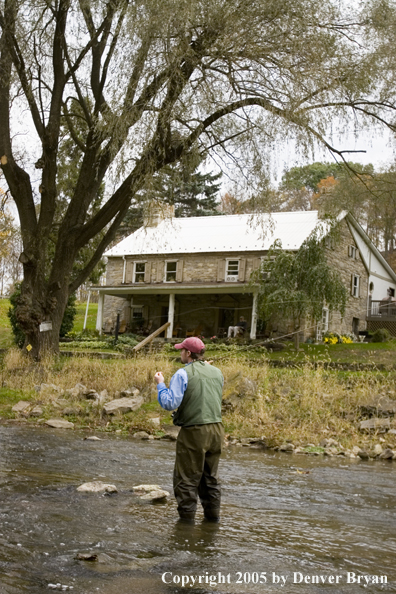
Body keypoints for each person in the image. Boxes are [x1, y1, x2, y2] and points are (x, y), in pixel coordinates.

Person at [154, 337, 224, 523]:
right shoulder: (217, 373)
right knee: (211, 477)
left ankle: (186, 525)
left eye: (182, 350)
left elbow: (170, 403)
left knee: (186, 478)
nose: (180, 353)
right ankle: (212, 520)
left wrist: (160, 384)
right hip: (217, 430)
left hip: (194, 431)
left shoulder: (182, 374)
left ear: (188, 353)